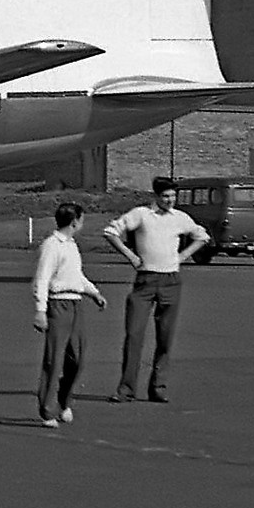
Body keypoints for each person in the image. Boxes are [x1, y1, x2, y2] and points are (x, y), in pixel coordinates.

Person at [103, 176, 210, 403]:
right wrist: (130, 255)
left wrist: (183, 256)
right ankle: (126, 389)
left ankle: (158, 387)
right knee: (134, 334)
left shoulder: (180, 218)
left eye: (173, 196)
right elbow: (111, 232)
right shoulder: (141, 214)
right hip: (145, 280)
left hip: (171, 280)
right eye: (165, 196)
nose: (170, 200)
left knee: (165, 337)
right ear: (156, 196)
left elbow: (202, 236)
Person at [32, 202, 106, 427]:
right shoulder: (52, 245)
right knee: (54, 359)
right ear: (75, 221)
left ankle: (64, 401)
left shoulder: (72, 245)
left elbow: (76, 276)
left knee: (77, 358)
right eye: (82, 219)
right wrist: (40, 311)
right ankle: (47, 409)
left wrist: (94, 293)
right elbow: (42, 279)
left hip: (76, 303)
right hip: (58, 304)